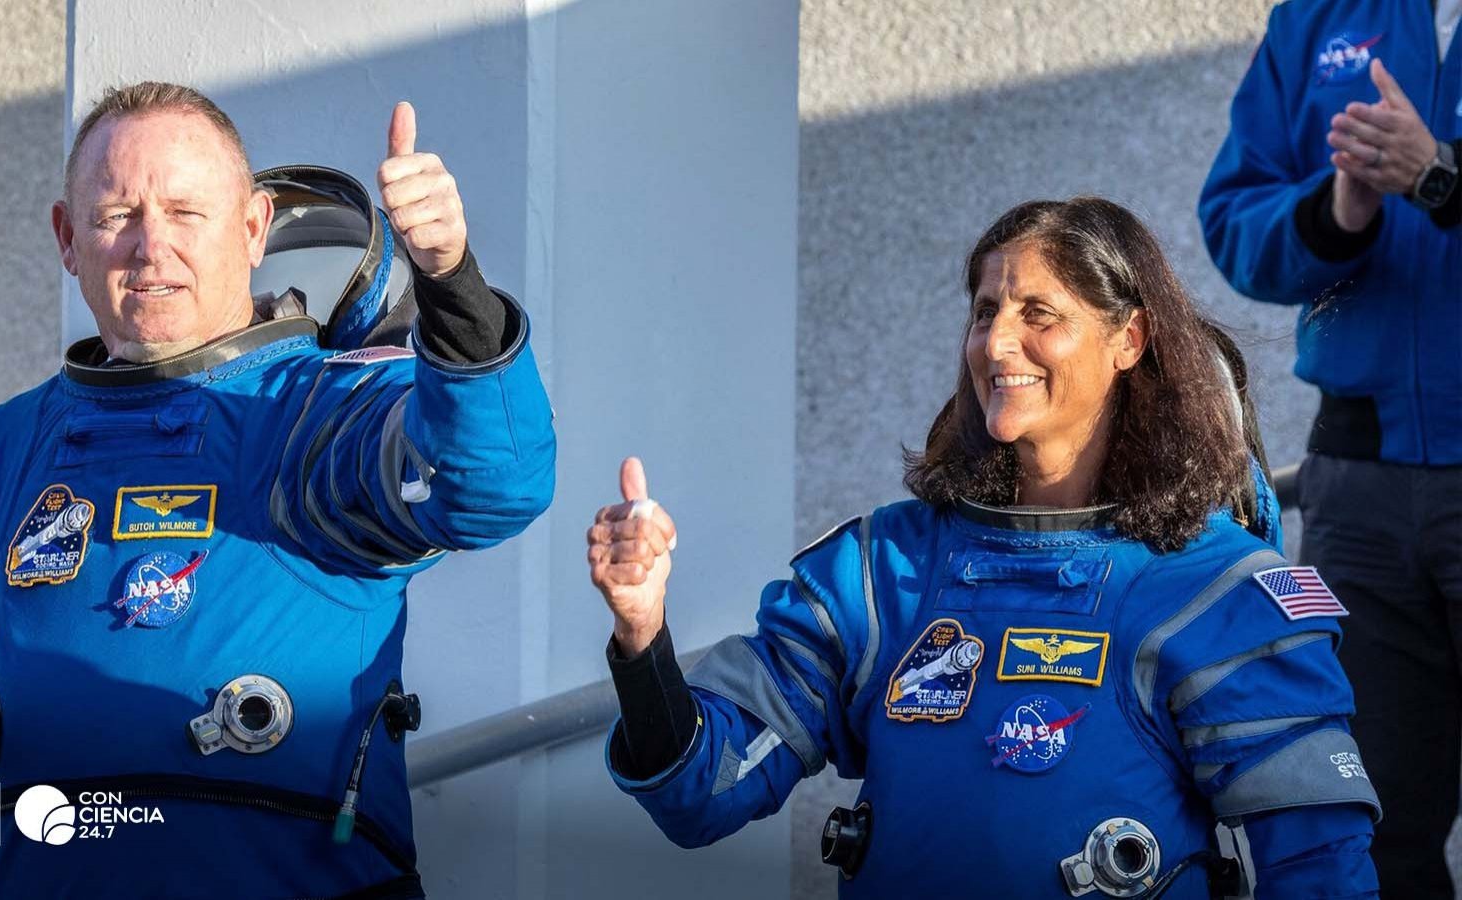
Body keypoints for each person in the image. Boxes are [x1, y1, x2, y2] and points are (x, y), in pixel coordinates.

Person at [0, 82, 554, 899]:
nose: (151, 248)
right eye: (118, 214)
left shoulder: (322, 416)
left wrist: (453, 283)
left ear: (255, 228)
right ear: (67, 236)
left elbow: (492, 485)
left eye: (187, 213)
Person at [588, 198, 1380, 898]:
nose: (997, 342)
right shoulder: (883, 573)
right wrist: (643, 633)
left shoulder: (1217, 591)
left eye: (1039, 313)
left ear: (1128, 339)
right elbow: (701, 792)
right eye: (984, 310)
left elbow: (1320, 870)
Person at [1198, 2, 1460, 895]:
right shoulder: (1318, 18)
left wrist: (1440, 181)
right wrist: (1336, 209)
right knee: (1374, 828)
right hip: (1359, 491)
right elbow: (1235, 216)